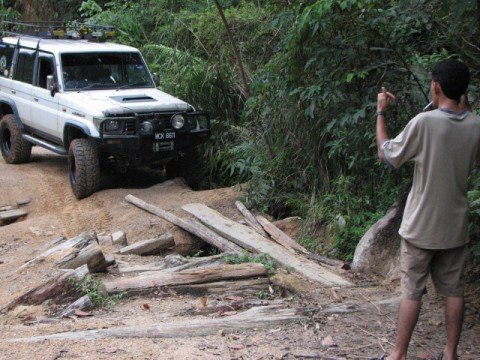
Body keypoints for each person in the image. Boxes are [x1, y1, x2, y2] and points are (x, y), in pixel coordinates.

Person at [375, 59, 480, 360]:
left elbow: (387, 155)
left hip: (421, 226)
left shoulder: (425, 123)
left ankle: (398, 355)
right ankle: (450, 354)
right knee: (454, 291)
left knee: (412, 291)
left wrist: (381, 111)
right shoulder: (475, 125)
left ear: (435, 86)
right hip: (454, 227)